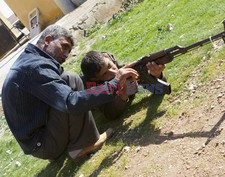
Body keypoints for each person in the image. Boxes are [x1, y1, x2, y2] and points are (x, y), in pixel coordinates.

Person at [1, 25, 138, 161]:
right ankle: (85, 145)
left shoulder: (31, 60)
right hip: (43, 144)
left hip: (40, 140)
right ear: (48, 40)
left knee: (67, 79)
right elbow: (72, 103)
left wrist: (152, 75)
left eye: (69, 50)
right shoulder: (35, 67)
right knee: (72, 80)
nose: (66, 55)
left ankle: (66, 145)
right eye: (64, 46)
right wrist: (114, 84)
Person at [80, 51, 166, 120]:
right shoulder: (91, 86)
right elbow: (109, 114)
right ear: (95, 79)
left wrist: (156, 75)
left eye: (110, 66)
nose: (114, 72)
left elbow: (160, 89)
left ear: (107, 58)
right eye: (105, 74)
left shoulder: (115, 64)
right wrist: (124, 95)